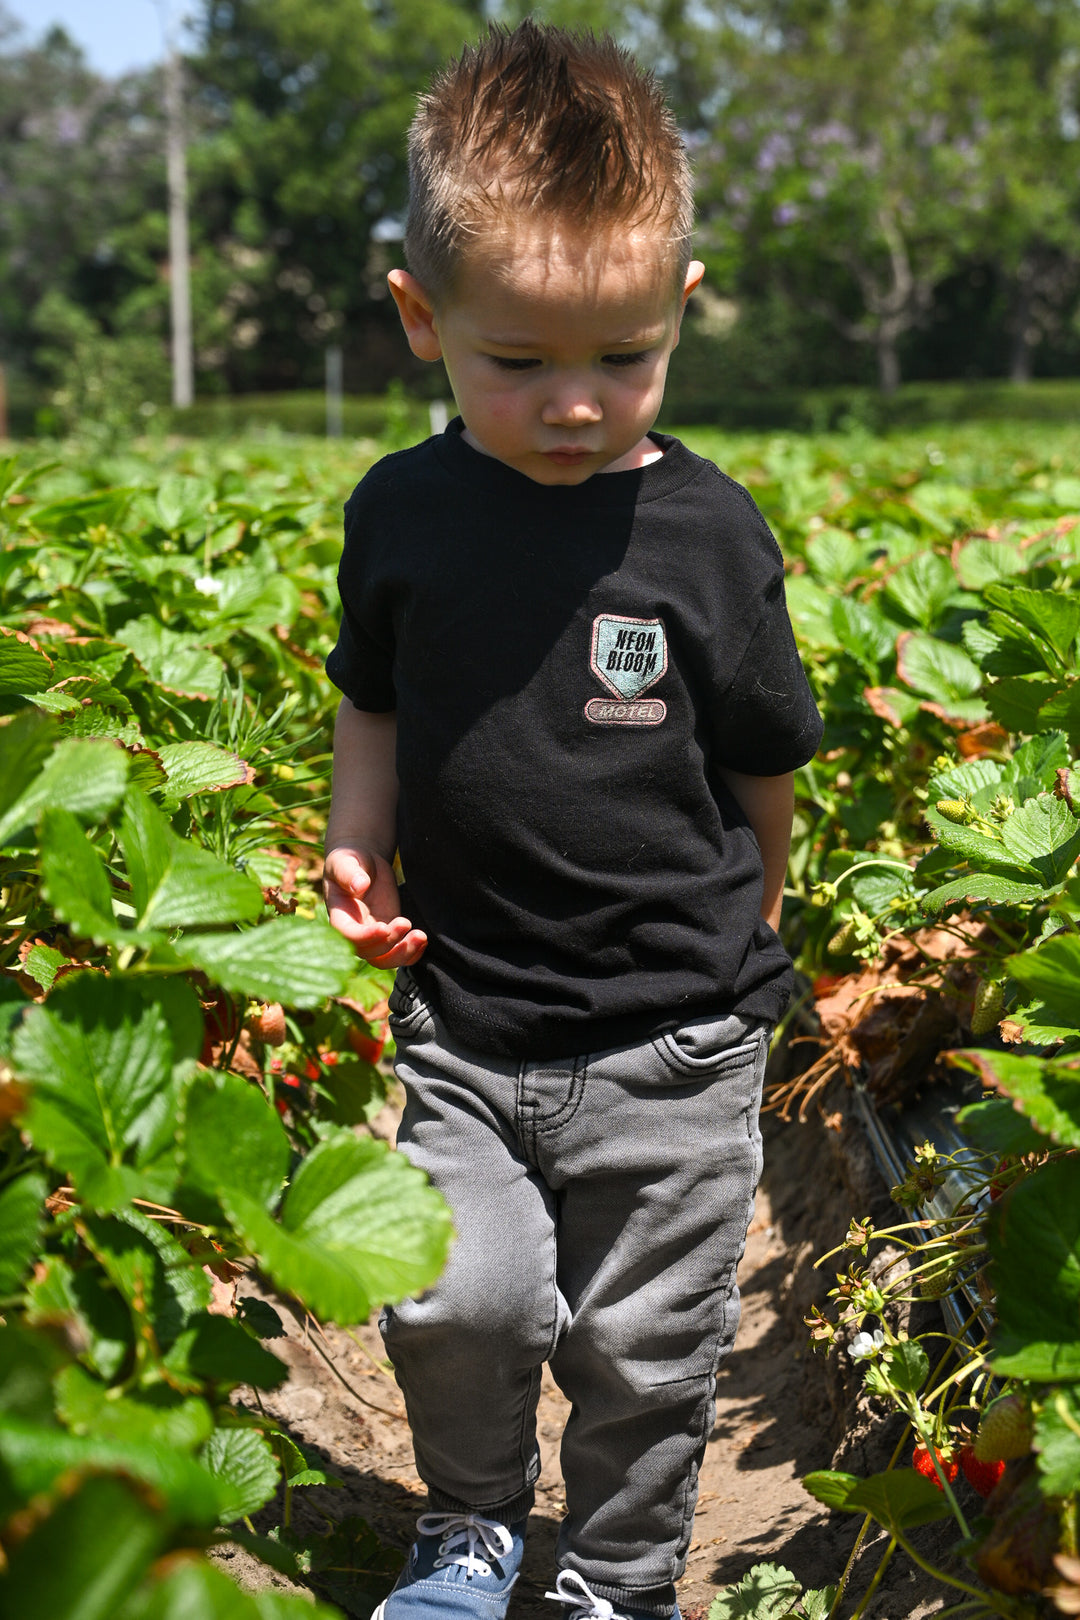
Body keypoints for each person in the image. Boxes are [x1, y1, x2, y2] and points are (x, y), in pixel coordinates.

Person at [323, 21, 822, 1620]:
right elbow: (374, 691)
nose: (573, 407)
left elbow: (762, 760)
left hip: (675, 1038)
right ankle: (471, 1524)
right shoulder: (401, 512)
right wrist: (359, 834)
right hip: (469, 1020)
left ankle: (615, 1578)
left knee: (646, 1345)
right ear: (422, 321)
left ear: (679, 310)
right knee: (457, 1299)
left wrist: (761, 916)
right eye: (517, 363)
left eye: (623, 359)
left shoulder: (706, 533)